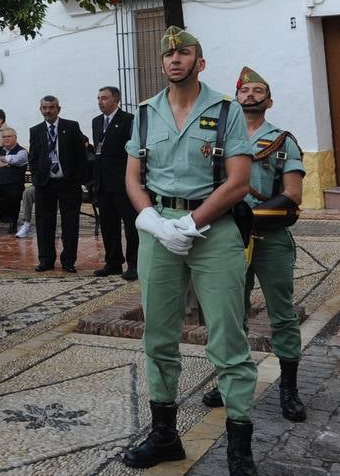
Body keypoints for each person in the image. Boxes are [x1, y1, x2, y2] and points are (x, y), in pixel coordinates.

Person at [121, 26, 258, 474]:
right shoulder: (144, 113)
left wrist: (191, 223)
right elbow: (133, 176)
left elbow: (239, 182)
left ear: (200, 61)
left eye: (184, 53)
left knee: (227, 336)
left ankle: (239, 447)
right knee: (158, 335)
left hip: (212, 230)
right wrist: (151, 220)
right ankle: (165, 437)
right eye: (168, 55)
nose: (175, 59)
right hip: (159, 230)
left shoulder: (225, 111)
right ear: (161, 65)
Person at [202, 66, 308, 424]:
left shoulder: (282, 141)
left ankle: (289, 389)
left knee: (282, 313)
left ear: (269, 100)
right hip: (228, 239)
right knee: (231, 314)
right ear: (236, 97)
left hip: (270, 239)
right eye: (244, 91)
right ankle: (229, 382)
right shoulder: (222, 141)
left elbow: (292, 194)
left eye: (257, 90)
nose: (250, 95)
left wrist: (255, 216)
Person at [27, 96, 89, 272]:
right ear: (40, 109)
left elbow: (81, 156)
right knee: (44, 223)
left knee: (70, 223)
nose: (48, 111)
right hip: (45, 184)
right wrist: (38, 177)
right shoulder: (36, 130)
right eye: (45, 108)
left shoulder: (71, 127)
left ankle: (68, 260)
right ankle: (46, 259)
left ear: (58, 109)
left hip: (68, 184)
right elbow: (33, 157)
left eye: (52, 107)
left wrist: (77, 179)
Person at [91, 86, 138, 280]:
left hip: (122, 181)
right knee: (108, 225)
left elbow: (133, 149)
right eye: (98, 98)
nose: (101, 101)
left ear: (116, 99)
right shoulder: (96, 122)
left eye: (104, 98)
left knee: (130, 225)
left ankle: (134, 264)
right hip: (102, 181)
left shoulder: (128, 120)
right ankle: (113, 262)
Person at [0, 129, 28, 233]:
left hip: (14, 184)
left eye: (9, 136)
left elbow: (17, 159)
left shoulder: (22, 151)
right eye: (4, 137)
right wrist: (6, 163)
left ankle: (13, 222)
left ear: (15, 137)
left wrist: (2, 161)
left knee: (14, 193)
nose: (6, 139)